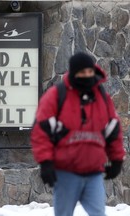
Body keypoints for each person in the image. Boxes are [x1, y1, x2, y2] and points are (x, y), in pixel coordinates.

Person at [30, 52, 126, 216]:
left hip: (94, 173)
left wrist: (116, 159)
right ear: (74, 73)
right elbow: (41, 133)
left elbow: (113, 130)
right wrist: (45, 162)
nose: (87, 76)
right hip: (66, 173)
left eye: (89, 71)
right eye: (82, 73)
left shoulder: (102, 97)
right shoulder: (55, 95)